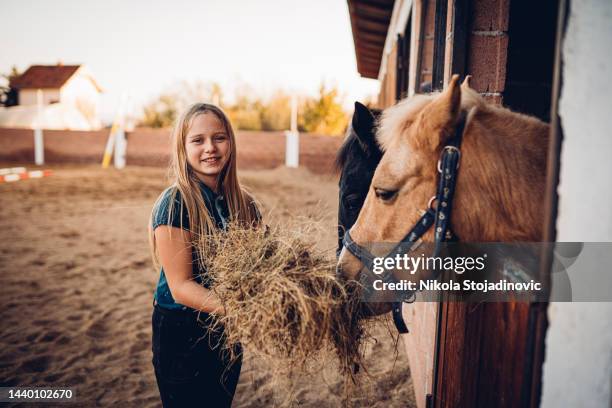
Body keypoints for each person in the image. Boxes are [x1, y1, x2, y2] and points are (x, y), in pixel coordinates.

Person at [149, 103, 260, 407]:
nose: (210, 148)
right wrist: (240, 309)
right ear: (183, 148)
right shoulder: (175, 202)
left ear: (231, 143)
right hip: (182, 332)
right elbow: (181, 287)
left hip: (227, 330)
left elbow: (262, 264)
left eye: (219, 138)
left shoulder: (245, 203)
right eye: (198, 140)